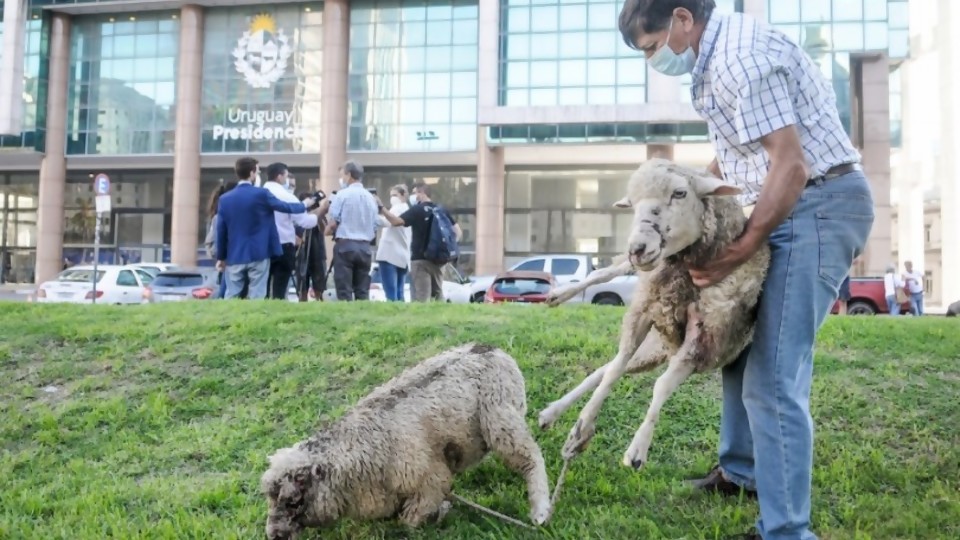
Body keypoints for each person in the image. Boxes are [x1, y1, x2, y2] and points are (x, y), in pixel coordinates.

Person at [618, 2, 875, 539]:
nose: (652, 60)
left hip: (818, 205)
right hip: (781, 198)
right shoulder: (713, 59)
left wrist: (743, 246)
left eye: (651, 47)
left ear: (682, 18)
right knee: (732, 338)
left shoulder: (740, 61)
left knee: (773, 376)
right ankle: (740, 473)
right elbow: (735, 158)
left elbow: (791, 163)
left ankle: (785, 530)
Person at [216, 157, 314, 300]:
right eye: (258, 171)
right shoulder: (261, 194)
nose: (258, 174)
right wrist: (305, 204)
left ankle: (229, 321)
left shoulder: (225, 199)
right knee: (258, 294)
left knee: (232, 294)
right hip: (259, 252)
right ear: (251, 173)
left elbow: (221, 230)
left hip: (235, 254)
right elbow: (285, 206)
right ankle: (257, 320)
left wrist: (221, 257)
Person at [378, 182, 462, 302]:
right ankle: (441, 318)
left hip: (420, 260)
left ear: (421, 193)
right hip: (439, 261)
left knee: (421, 297)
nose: (412, 196)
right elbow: (457, 232)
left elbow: (396, 222)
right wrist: (445, 248)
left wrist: (382, 208)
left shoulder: (417, 210)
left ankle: (423, 319)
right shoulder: (441, 209)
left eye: (414, 193)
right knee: (438, 294)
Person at [263, 162, 320, 300]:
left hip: (263, 246)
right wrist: (320, 212)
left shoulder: (260, 193)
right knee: (280, 289)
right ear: (279, 177)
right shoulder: (287, 196)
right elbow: (305, 222)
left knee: (262, 288)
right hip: (284, 246)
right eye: (286, 176)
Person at [325, 160, 380, 301]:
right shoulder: (371, 197)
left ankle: (346, 319)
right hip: (365, 247)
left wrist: (325, 231)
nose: (341, 179)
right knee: (362, 290)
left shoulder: (341, 195)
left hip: (345, 246)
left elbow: (333, 222)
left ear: (349, 175)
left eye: (342, 175)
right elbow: (375, 224)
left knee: (344, 290)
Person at [375, 184, 412, 301]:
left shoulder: (398, 208)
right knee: (400, 293)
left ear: (403, 195)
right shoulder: (408, 210)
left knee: (391, 294)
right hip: (403, 257)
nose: (392, 198)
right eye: (391, 196)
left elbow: (386, 222)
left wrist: (375, 210)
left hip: (389, 255)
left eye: (395, 195)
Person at [204, 180, 238, 299]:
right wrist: (222, 257)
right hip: (229, 259)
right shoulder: (222, 216)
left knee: (226, 289)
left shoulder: (219, 214)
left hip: (226, 259)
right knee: (226, 290)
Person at [295, 191, 330, 301]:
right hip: (302, 253)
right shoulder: (297, 214)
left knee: (319, 284)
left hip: (318, 253)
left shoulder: (319, 214)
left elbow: (324, 229)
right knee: (302, 285)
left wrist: (319, 214)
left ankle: (318, 301)